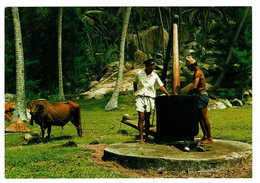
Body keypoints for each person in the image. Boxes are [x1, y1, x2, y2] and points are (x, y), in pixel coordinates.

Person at [133, 59, 170, 144]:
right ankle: (141, 138)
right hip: (140, 97)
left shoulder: (155, 76)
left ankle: (146, 137)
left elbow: (160, 86)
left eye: (153, 68)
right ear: (146, 67)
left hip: (150, 98)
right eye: (150, 68)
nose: (152, 70)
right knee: (141, 117)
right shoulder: (139, 74)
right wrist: (136, 91)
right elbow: (135, 82)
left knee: (147, 118)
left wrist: (168, 94)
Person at [185, 56, 213, 144]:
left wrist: (186, 94)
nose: (189, 69)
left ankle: (210, 138)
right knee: (200, 118)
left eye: (189, 67)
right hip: (199, 96)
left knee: (204, 117)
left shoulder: (197, 73)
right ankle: (205, 136)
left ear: (193, 65)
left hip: (202, 96)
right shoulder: (196, 72)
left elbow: (194, 86)